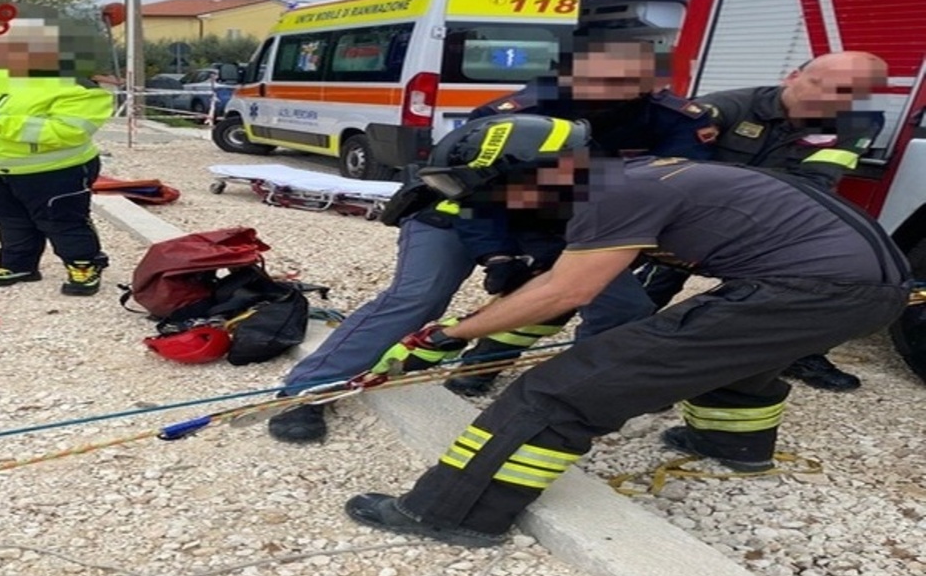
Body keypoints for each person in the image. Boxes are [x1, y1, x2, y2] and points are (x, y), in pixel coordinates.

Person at [342, 114, 910, 548]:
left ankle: (452, 513)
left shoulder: (611, 195)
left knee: (559, 392)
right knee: (731, 355)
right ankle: (732, 442)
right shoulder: (636, 178)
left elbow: (568, 293)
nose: (507, 207)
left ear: (539, 173)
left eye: (502, 193)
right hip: (866, 292)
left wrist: (450, 334)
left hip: (811, 291)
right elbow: (559, 286)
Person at [267, 38, 714, 443]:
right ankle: (306, 391)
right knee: (418, 297)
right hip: (462, 214)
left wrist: (555, 257)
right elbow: (472, 193)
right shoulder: (516, 112)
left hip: (574, 225)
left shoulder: (674, 121)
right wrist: (498, 255)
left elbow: (672, 186)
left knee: (622, 308)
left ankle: (585, 397)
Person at [638, 51, 890, 391]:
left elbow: (817, 182)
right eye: (820, 84)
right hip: (698, 214)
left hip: (771, 219)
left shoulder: (858, 124)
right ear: (792, 76)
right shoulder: (725, 107)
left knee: (813, 282)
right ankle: (630, 349)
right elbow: (674, 169)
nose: (828, 98)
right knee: (656, 282)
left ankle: (800, 353)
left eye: (846, 92)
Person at [0, 15, 113, 295]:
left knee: (62, 220)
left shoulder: (78, 87)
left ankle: (84, 265)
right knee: (8, 219)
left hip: (55, 171)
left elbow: (68, 131)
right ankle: (18, 265)